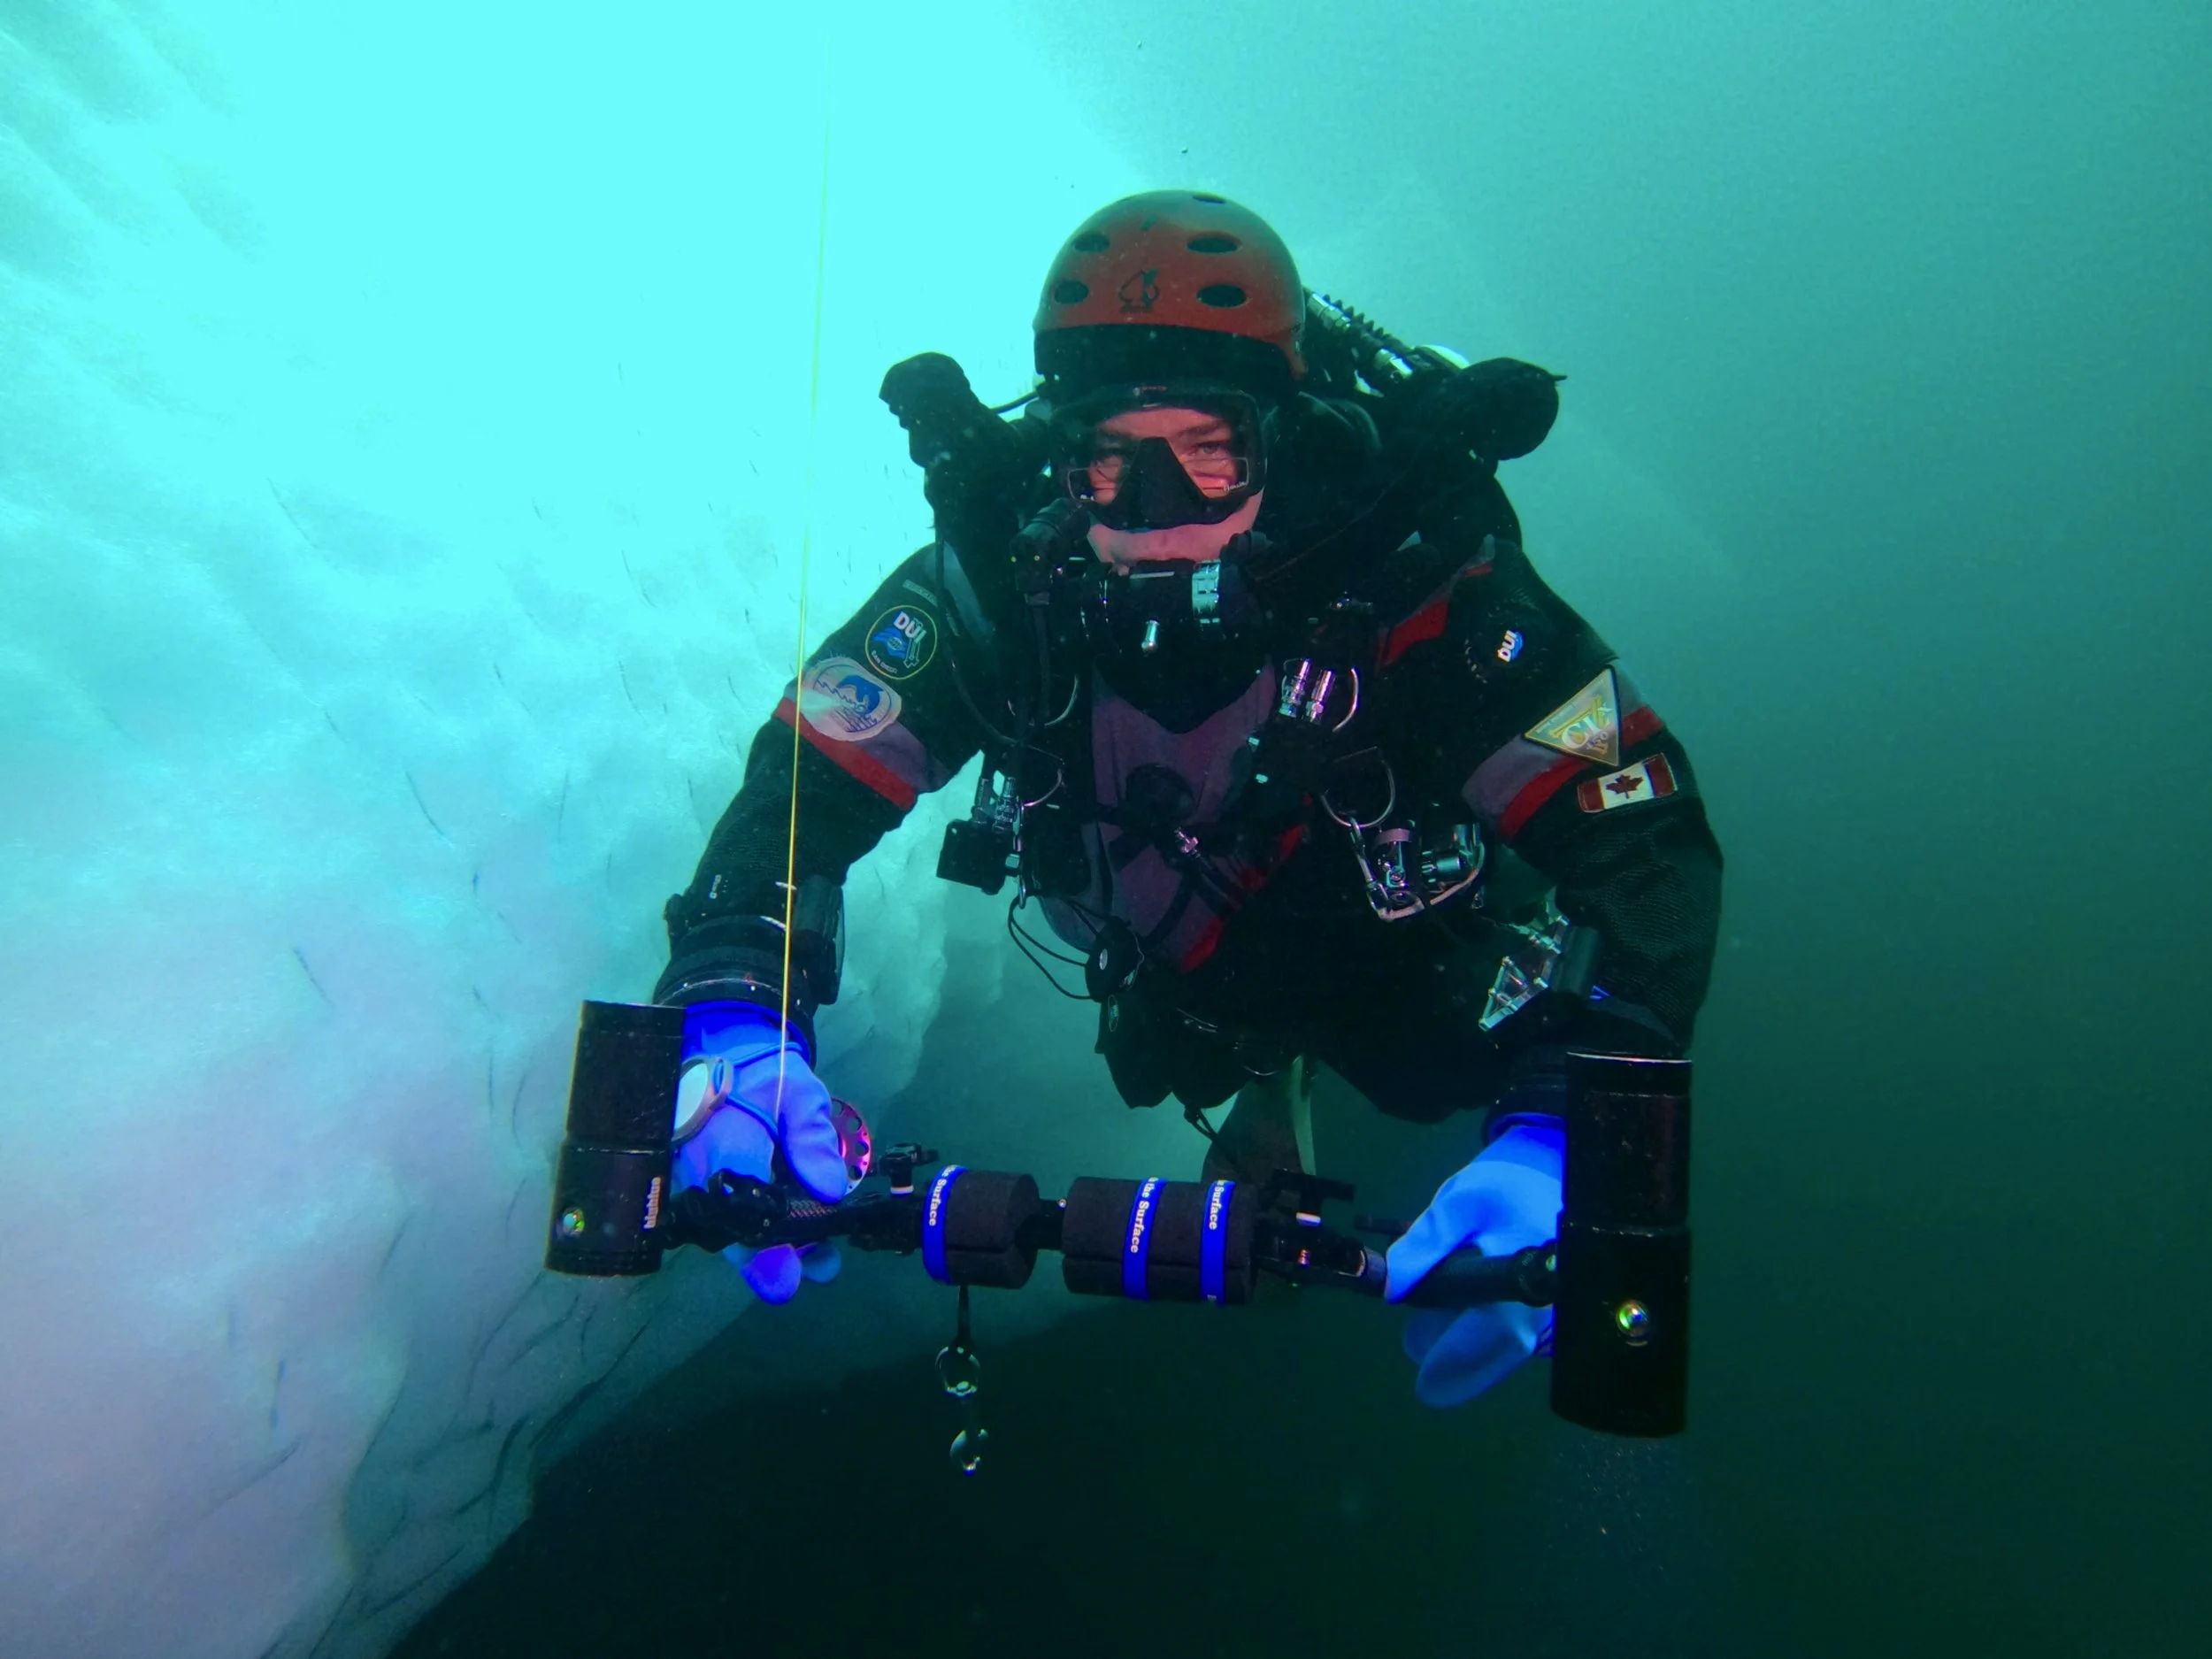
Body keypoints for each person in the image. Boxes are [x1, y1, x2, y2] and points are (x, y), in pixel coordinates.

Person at [653, 192, 1723, 1405]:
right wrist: (736, 1004)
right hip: (1172, 958)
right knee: (1172, 1045)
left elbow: (1644, 838)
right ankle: (1266, 1072)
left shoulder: (1430, 594)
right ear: (1062, 465)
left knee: (1432, 1069)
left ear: (1290, 442)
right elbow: (815, 765)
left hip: (1394, 949)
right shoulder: (1008, 583)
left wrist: (1562, 1124)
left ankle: (1332, 1071)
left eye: (1211, 457)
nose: (1160, 523)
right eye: (1114, 465)